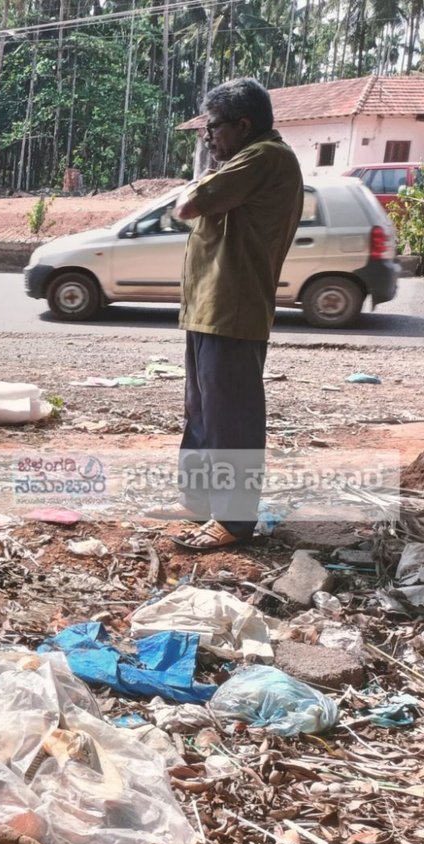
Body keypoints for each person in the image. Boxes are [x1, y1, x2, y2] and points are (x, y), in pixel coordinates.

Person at [156, 77, 302, 551]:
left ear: (243, 125)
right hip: (210, 307)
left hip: (233, 308)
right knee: (202, 413)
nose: (208, 138)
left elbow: (187, 205)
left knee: (231, 419)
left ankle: (235, 521)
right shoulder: (247, 159)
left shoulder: (264, 157)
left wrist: (199, 181)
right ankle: (198, 502)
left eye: (213, 127)